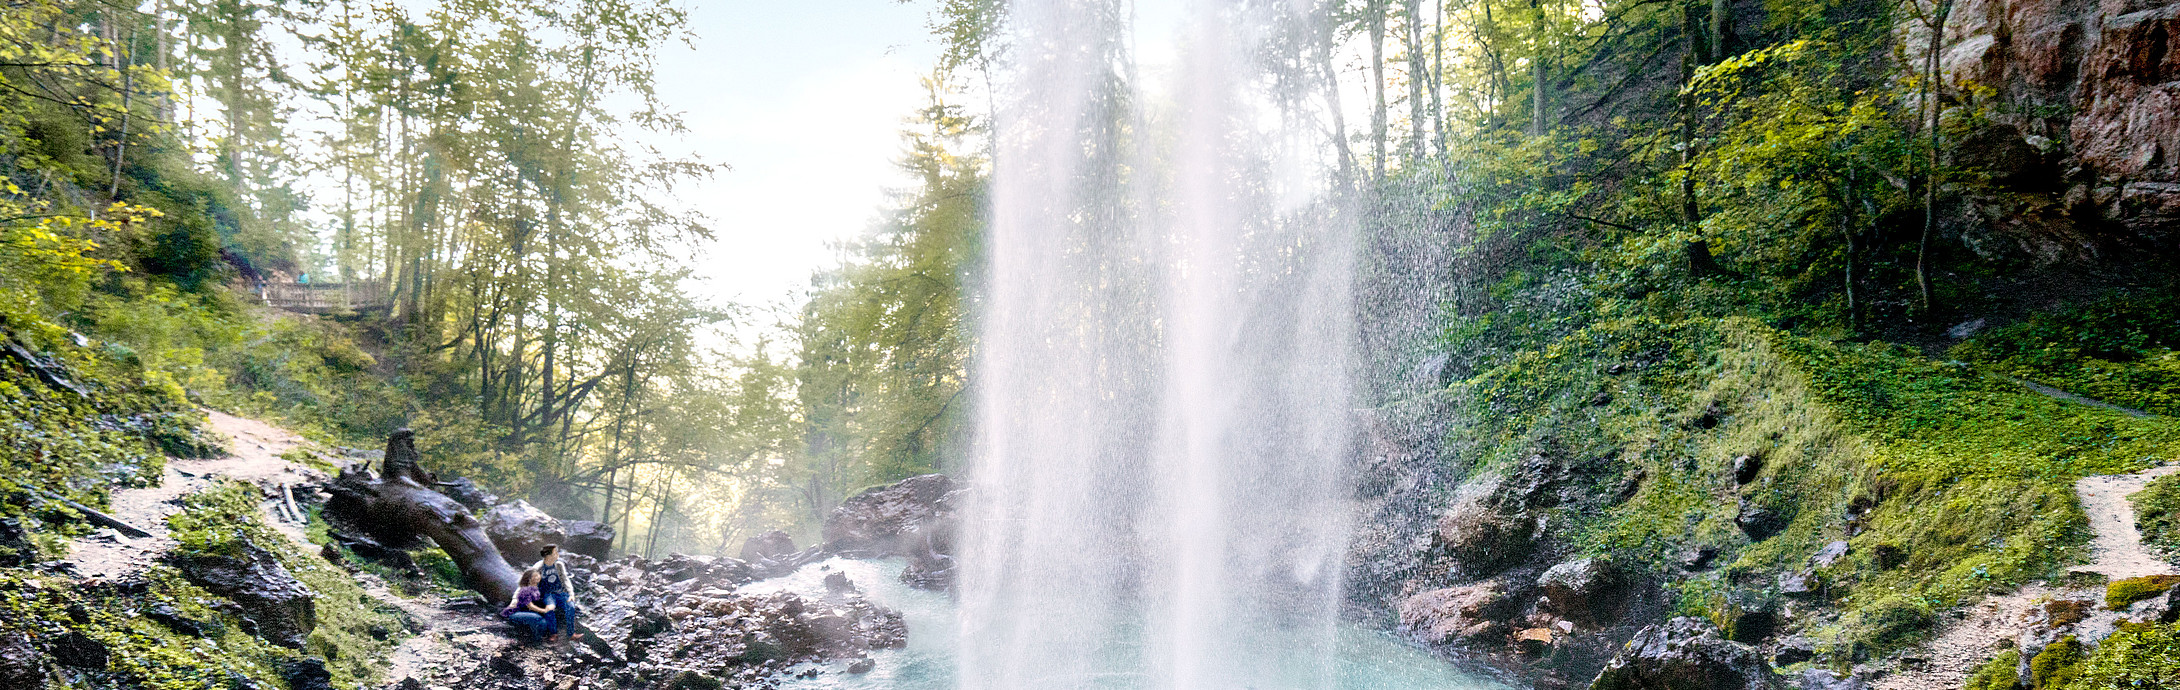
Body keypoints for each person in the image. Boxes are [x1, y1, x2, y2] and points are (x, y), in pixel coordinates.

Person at [532, 544, 580, 642]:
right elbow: (532, 581)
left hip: (561, 592)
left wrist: (571, 594)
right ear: (548, 555)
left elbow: (565, 579)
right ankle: (553, 633)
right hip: (548, 594)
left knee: (570, 606)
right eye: (555, 552)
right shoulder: (538, 567)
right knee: (550, 609)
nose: (557, 554)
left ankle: (571, 633)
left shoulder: (559, 565)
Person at [500, 569, 555, 644]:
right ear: (529, 579)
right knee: (539, 620)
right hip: (515, 614)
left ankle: (537, 640)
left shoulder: (537, 589)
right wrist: (544, 610)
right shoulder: (525, 590)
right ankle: (535, 642)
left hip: (526, 613)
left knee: (543, 621)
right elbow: (530, 606)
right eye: (535, 576)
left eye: (538, 575)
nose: (538, 577)